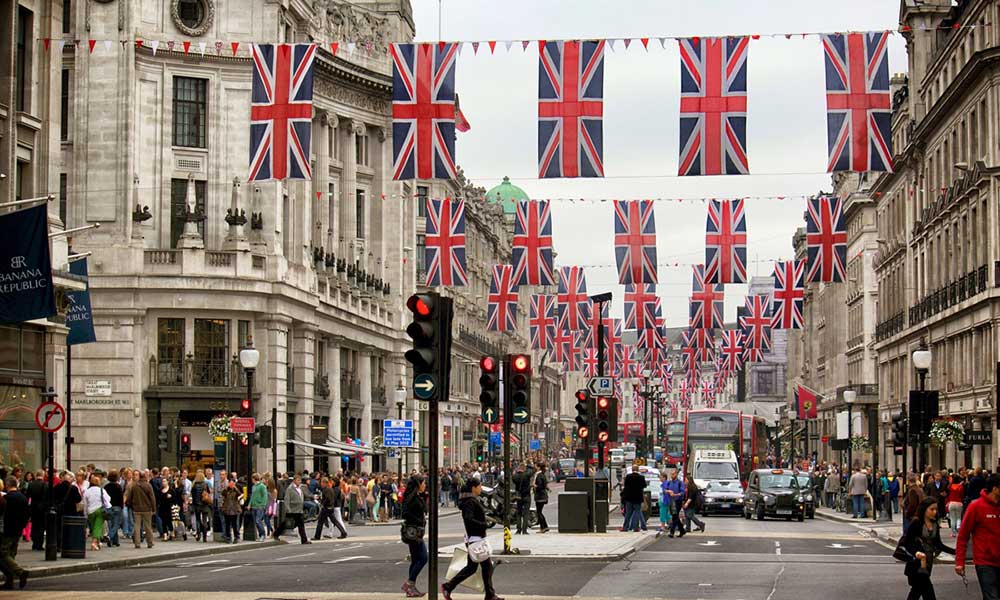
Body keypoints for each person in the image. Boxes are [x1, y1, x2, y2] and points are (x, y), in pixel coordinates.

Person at [441, 477, 503, 600]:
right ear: (473, 488)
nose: (481, 488)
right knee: (484, 567)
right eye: (479, 486)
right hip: (476, 538)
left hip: (476, 538)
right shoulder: (470, 502)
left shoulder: (471, 500)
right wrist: (483, 525)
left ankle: (449, 587)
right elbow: (468, 519)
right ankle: (489, 595)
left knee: (474, 568)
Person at [956, 473, 1000, 600]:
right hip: (985, 561)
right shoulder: (976, 506)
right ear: (995, 489)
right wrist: (960, 561)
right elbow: (963, 535)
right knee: (992, 596)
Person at [901, 496, 955, 600]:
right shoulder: (916, 522)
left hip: (928, 563)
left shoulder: (934, 524)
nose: (934, 512)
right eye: (932, 509)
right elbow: (907, 542)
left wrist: (957, 551)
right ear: (924, 509)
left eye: (936, 509)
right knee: (928, 594)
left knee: (916, 592)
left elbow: (938, 544)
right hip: (916, 564)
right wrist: (916, 552)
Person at [400, 474, 427, 598]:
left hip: (415, 531)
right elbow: (405, 513)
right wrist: (418, 521)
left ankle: (411, 587)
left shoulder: (415, 496)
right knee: (423, 558)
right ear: (418, 484)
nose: (425, 485)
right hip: (414, 532)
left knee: (416, 559)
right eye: (423, 483)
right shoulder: (413, 498)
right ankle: (409, 583)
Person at [0, 477, 29, 589]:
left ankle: (20, 572)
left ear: (7, 485)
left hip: (7, 530)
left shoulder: (6, 498)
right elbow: (26, 515)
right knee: (11, 554)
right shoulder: (23, 498)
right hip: (18, 530)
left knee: (3, 553)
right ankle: (10, 581)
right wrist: (22, 526)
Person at [274, 474, 310, 544]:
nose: (299, 482)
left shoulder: (300, 488)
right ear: (294, 481)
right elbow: (287, 499)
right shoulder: (290, 489)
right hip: (292, 510)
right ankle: (276, 534)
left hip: (299, 510)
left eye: (300, 480)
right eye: (298, 480)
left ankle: (304, 540)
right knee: (286, 524)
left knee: (300, 525)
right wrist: (288, 509)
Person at [125, 470, 156, 549]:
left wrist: (131, 505)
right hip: (147, 509)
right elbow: (152, 498)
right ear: (145, 477)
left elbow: (129, 497)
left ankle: (137, 543)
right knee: (148, 526)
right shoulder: (148, 485)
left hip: (136, 509)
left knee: (137, 526)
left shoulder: (134, 486)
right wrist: (153, 508)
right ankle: (150, 542)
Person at [82, 474, 109, 551]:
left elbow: (85, 504)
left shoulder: (87, 491)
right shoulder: (102, 490)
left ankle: (98, 542)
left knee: (94, 527)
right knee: (98, 527)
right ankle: (94, 543)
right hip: (99, 510)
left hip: (90, 511)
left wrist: (85, 513)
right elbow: (107, 499)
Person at [620, 465, 646, 532]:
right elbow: (644, 485)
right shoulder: (641, 477)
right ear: (638, 470)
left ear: (632, 469)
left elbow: (625, 485)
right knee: (637, 512)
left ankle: (625, 527)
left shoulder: (628, 477)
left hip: (629, 498)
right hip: (638, 498)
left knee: (628, 513)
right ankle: (636, 528)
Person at [663, 470, 686, 538]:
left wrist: (675, 494)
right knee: (675, 516)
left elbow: (682, 493)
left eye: (673, 474)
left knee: (674, 516)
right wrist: (668, 491)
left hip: (678, 501)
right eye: (671, 474)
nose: (672, 476)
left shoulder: (680, 483)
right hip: (671, 501)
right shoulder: (669, 482)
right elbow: (664, 491)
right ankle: (682, 530)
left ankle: (672, 532)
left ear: (676, 474)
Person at [190, 471, 212, 542]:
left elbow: (192, 495)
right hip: (204, 505)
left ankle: (198, 534)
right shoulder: (205, 484)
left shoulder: (194, 485)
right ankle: (205, 537)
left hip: (197, 505)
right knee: (205, 520)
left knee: (198, 520)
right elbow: (208, 492)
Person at [221, 478, 242, 544]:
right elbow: (222, 493)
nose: (231, 484)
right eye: (230, 483)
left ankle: (236, 537)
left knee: (235, 524)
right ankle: (228, 537)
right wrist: (227, 487)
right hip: (227, 509)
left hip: (234, 509)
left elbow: (239, 494)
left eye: (232, 483)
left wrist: (235, 488)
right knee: (227, 524)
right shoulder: (226, 490)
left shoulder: (236, 490)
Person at [946, 473, 966, 537]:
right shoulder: (960, 487)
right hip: (959, 503)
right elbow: (962, 495)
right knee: (958, 517)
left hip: (951, 503)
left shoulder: (950, 486)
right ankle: (958, 527)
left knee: (952, 518)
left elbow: (948, 494)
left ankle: (953, 532)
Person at [533, 462, 549, 533]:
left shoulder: (538, 475)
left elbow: (540, 486)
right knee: (540, 512)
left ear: (538, 467)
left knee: (539, 512)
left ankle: (543, 527)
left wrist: (534, 485)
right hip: (543, 495)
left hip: (540, 496)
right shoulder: (542, 474)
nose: (535, 467)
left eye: (536, 466)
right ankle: (545, 526)